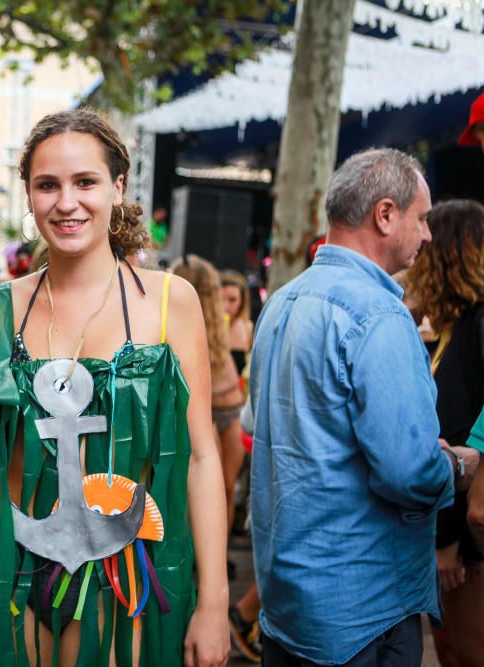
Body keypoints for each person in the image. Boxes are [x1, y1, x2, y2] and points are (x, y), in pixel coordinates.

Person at [0, 109, 229, 666]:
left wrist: (215, 602)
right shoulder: (0, 309)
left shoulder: (170, 303)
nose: (66, 203)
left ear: (117, 187)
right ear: (29, 195)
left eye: (84, 181)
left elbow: (202, 457)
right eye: (48, 185)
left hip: (125, 576)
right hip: (18, 574)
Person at [250, 148, 479, 666]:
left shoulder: (282, 300)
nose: (427, 235)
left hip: (288, 602)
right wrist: (458, 465)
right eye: (421, 219)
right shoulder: (379, 314)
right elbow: (408, 472)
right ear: (385, 214)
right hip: (361, 610)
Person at [404, 199, 484, 667]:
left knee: (467, 652)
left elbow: (461, 429)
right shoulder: (456, 325)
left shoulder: (477, 325)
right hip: (452, 532)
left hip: (466, 540)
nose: (419, 250)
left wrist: (452, 541)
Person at [173, 256, 245, 541]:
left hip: (230, 408)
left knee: (225, 488)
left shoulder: (225, 324)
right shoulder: (180, 315)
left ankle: (218, 555)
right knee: (212, 490)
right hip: (207, 410)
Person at [219, 269, 253, 377]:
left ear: (242, 301)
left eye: (232, 300)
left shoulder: (248, 328)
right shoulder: (207, 328)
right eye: (221, 299)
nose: (226, 306)